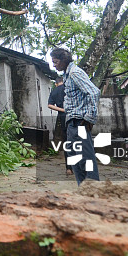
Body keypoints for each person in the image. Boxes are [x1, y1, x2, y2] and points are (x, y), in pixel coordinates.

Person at [50, 47, 101, 185]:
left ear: (63, 60)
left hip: (80, 122)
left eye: (55, 62)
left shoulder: (75, 73)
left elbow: (94, 92)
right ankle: (84, 187)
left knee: (85, 157)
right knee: (74, 156)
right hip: (72, 121)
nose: (54, 65)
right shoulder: (67, 75)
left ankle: (94, 190)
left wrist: (90, 118)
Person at [47, 77, 72, 175]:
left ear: (56, 83)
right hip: (75, 117)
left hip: (63, 117)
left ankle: (68, 168)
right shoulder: (69, 87)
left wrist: (62, 110)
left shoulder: (55, 90)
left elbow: (50, 105)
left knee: (67, 142)